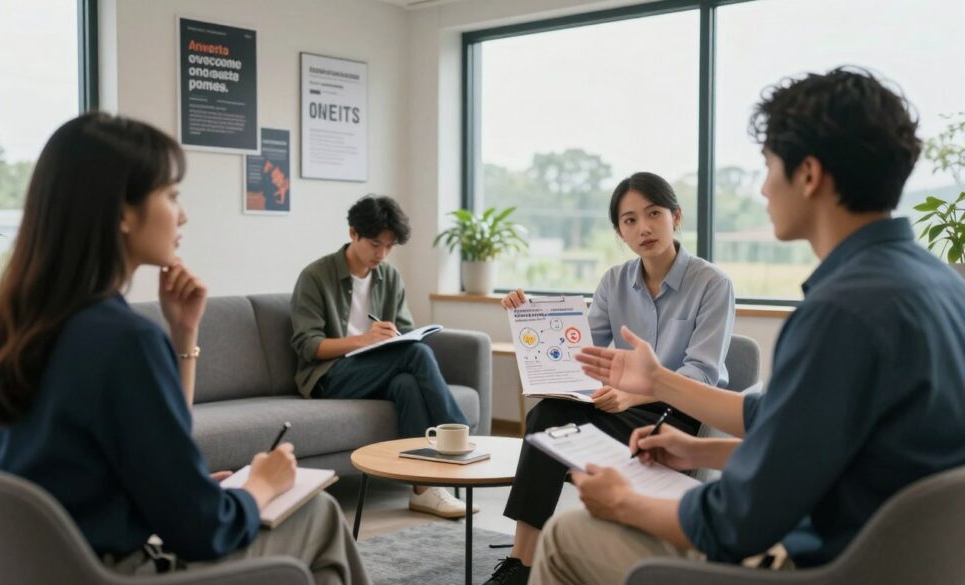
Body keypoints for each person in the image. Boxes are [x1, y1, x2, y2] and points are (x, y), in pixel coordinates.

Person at [532, 67, 965, 585]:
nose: (762, 187)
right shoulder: (941, 284)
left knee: (567, 535)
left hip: (816, 564)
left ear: (808, 174)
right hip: (904, 559)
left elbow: (734, 521)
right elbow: (808, 432)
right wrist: (694, 440)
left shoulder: (840, 311)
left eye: (768, 166)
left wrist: (624, 503)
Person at [0, 113, 368, 585]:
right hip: (112, 573)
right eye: (172, 195)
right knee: (317, 514)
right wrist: (258, 486)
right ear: (122, 212)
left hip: (41, 567)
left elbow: (96, 468)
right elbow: (200, 532)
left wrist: (184, 336)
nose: (184, 214)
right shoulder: (123, 340)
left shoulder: (22, 326)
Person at [484, 172, 735, 585]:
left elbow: (702, 374)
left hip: (678, 415)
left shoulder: (712, 284)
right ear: (620, 231)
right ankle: (521, 561)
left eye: (653, 214)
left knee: (551, 423)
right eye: (629, 220)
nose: (644, 228)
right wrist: (528, 316)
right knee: (548, 414)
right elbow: (581, 353)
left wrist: (633, 395)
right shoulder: (614, 281)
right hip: (615, 405)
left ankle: (539, 560)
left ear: (676, 216)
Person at [291, 195, 473, 519]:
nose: (382, 254)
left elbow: (404, 330)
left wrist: (396, 338)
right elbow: (308, 345)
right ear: (353, 234)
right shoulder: (316, 276)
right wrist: (363, 340)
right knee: (416, 355)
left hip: (379, 371)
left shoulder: (389, 277)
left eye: (389, 247)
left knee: (406, 383)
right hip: (330, 376)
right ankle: (459, 435)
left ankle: (421, 489)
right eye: (375, 244)